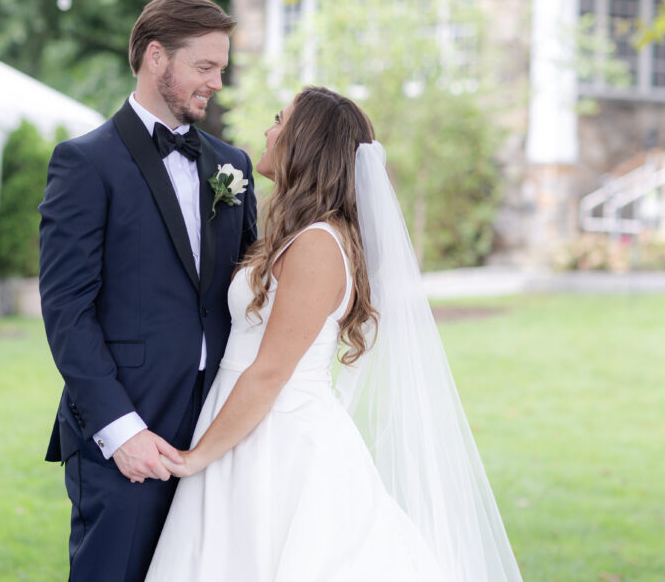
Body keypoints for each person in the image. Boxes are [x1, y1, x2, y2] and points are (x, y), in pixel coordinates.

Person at [145, 86, 523, 581]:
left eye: (280, 120)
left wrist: (195, 460)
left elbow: (269, 372)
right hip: (245, 428)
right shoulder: (298, 234)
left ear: (307, 142)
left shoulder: (319, 244)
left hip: (278, 442)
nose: (268, 129)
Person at [38, 0, 258, 582]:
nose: (216, 82)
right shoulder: (85, 163)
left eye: (222, 68)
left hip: (219, 427)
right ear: (156, 57)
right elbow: (66, 313)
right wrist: (122, 431)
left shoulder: (230, 164)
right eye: (205, 66)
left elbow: (249, 287)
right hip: (129, 433)